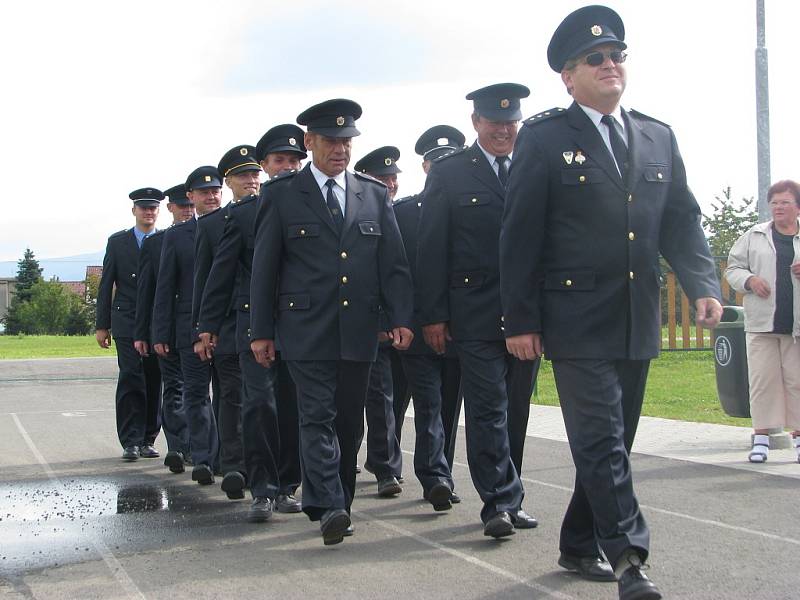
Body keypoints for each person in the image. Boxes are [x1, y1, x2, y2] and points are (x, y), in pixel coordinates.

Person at [500, 6, 722, 599]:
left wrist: (702, 284)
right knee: (600, 442)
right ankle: (628, 557)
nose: (609, 64)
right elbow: (519, 235)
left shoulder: (657, 136)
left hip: (635, 318)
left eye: (617, 55)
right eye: (594, 59)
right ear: (568, 78)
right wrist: (520, 319)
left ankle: (577, 542)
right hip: (573, 321)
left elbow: (682, 221)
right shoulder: (545, 138)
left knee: (613, 445)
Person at [249, 98, 414, 545]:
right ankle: (330, 505)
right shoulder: (282, 195)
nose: (340, 150)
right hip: (304, 329)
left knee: (349, 424)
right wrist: (261, 331)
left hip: (359, 329)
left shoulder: (372, 194)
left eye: (346, 142)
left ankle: (336, 500)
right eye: (330, 141)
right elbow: (265, 268)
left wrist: (400, 317)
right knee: (316, 415)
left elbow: (393, 264)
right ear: (310, 142)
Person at [416, 84, 538, 538]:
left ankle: (512, 493)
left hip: (527, 315)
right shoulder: (451, 174)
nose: (504, 129)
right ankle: (498, 503)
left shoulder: (532, 165)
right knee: (488, 408)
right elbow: (432, 250)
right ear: (476, 124)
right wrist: (433, 315)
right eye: (494, 122)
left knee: (517, 410)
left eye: (511, 122)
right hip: (474, 314)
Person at [197, 126, 307, 522]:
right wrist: (207, 325)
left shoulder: (313, 206)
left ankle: (288, 485)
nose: (288, 167)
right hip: (250, 323)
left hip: (298, 323)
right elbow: (221, 272)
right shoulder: (244, 215)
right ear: (264, 166)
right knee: (259, 405)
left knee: (293, 406)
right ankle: (262, 488)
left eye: (295, 161)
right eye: (280, 161)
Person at [393, 126, 466, 497]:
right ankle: (434, 477)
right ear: (424, 166)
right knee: (428, 405)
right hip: (418, 329)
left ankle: (443, 475)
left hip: (461, 329)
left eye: (450, 161)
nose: (441, 168)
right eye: (435, 163)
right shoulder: (403, 213)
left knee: (449, 409)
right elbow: (395, 274)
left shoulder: (471, 209)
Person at [191, 146, 259, 501]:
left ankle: (268, 465)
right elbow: (206, 282)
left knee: (266, 399)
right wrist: (203, 330)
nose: (250, 181)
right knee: (232, 397)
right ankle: (235, 465)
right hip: (232, 324)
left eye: (254, 174)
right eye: (242, 176)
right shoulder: (215, 224)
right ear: (228, 182)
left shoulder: (274, 212)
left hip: (271, 323)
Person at [153, 166, 223, 486]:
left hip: (229, 327)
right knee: (196, 395)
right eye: (204, 192)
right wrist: (160, 332)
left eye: (215, 191)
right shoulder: (177, 236)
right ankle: (203, 457)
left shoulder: (238, 222)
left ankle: (228, 458)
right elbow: (165, 287)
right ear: (192, 198)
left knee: (230, 396)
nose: (211, 196)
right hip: (188, 329)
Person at [726, 179, 800, 464]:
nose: (779, 208)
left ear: (797, 207)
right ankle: (761, 439)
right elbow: (732, 269)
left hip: (795, 327)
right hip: (761, 325)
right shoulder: (753, 235)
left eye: (785, 202)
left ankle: (798, 439)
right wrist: (750, 280)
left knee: (797, 382)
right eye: (775, 203)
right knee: (762, 382)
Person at [352, 146, 406, 498]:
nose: (389, 184)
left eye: (393, 178)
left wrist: (395, 319)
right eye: (381, 178)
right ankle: (343, 458)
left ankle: (386, 467)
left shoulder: (403, 213)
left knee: (382, 398)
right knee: (349, 400)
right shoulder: (353, 210)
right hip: (350, 320)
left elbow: (395, 272)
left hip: (385, 324)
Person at [96, 187, 164, 461]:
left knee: (153, 378)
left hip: (155, 322)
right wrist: (103, 325)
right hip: (125, 320)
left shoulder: (164, 240)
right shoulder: (118, 242)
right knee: (131, 378)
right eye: (144, 208)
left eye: (153, 208)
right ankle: (131, 440)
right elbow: (106, 285)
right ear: (134, 210)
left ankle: (148, 437)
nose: (148, 212)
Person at [133, 184, 194, 473]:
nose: (187, 210)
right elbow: (147, 293)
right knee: (174, 390)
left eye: (189, 205)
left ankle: (200, 446)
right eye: (181, 205)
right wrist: (144, 333)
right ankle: (179, 447)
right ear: (170, 208)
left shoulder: (207, 233)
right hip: (167, 329)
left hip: (198, 328)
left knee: (198, 392)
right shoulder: (155, 244)